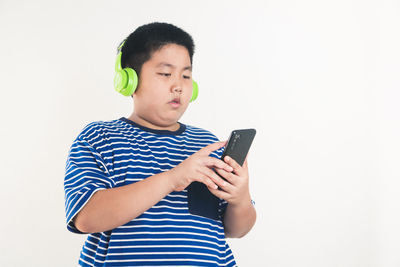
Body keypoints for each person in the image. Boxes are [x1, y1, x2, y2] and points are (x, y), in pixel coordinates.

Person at [64, 22, 256, 266]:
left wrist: (240, 198)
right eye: (165, 74)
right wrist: (172, 178)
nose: (178, 85)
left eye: (186, 76)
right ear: (129, 80)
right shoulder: (100, 138)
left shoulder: (206, 144)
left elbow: (236, 229)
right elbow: (86, 218)